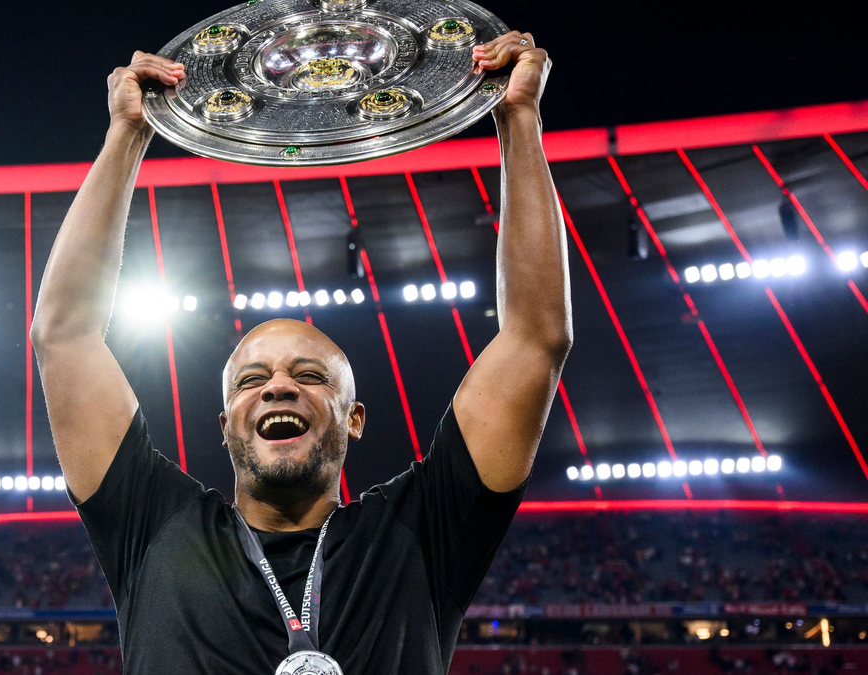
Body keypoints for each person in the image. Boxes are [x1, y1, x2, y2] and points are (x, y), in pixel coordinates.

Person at [30, 30, 570, 675]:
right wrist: (126, 136)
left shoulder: (423, 533)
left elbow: (535, 338)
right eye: (250, 380)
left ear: (354, 417)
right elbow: (63, 336)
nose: (278, 386)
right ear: (224, 424)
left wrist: (518, 118)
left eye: (309, 375)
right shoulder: (153, 527)